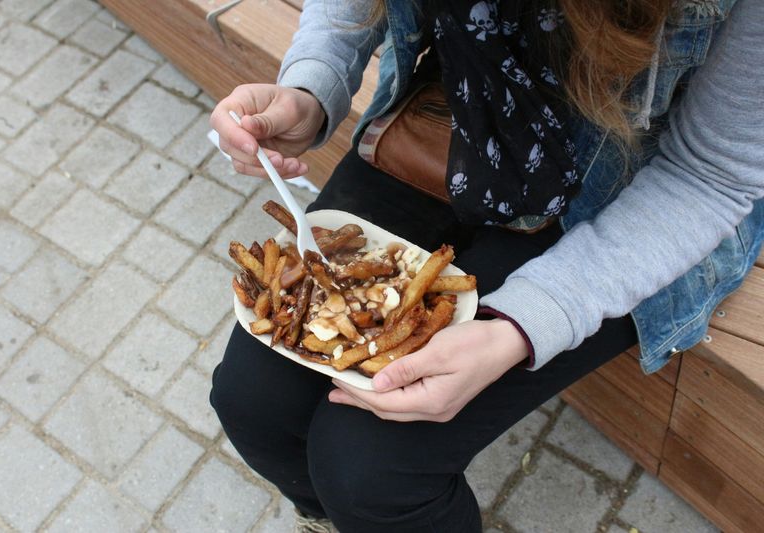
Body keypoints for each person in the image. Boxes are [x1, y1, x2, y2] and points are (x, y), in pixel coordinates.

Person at [209, 0, 764, 531]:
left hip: (632, 187)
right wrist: (311, 87)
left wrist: (522, 327)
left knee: (369, 469)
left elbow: (712, 175)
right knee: (251, 402)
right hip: (458, 106)